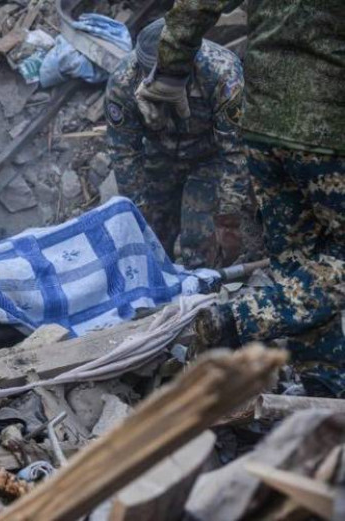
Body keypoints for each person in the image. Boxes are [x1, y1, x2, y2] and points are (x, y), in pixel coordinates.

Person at [136, 1, 345, 394]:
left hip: (264, 126)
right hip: (329, 129)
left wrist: (171, 69)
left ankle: (323, 384)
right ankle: (240, 318)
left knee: (298, 260)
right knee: (323, 263)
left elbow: (197, 5)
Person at [105, 18, 260, 268]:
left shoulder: (222, 73)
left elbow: (236, 151)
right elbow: (124, 152)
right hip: (159, 158)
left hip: (208, 159)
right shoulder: (124, 81)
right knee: (151, 243)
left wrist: (228, 218)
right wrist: (139, 210)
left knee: (199, 247)